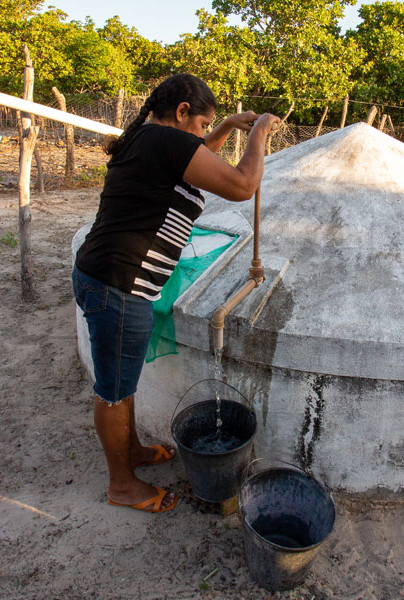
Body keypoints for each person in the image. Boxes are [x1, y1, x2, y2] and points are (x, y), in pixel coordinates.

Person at [72, 74, 280, 513]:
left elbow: (196, 159)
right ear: (182, 112)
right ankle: (122, 486)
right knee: (112, 390)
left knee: (122, 381)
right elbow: (243, 185)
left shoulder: (149, 139)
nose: (205, 136)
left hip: (108, 279)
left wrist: (223, 125)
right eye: (202, 125)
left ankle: (131, 454)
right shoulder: (165, 143)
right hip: (119, 286)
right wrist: (259, 132)